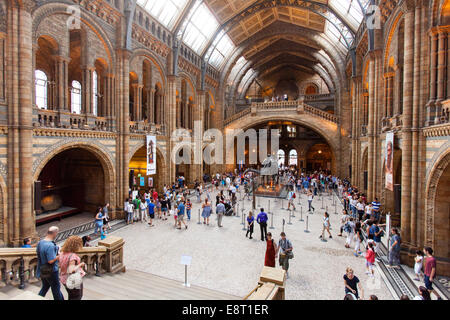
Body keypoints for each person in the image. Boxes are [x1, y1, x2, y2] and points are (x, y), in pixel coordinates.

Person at [36, 226, 64, 300]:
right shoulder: (50, 245)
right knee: (56, 289)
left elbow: (38, 254)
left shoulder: (41, 242)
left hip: (42, 268)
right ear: (54, 233)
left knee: (45, 286)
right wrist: (59, 255)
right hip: (51, 270)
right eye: (56, 233)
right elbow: (50, 261)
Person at [59, 236, 86, 300]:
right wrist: (80, 264)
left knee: (71, 296)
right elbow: (71, 270)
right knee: (77, 297)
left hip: (64, 278)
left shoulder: (62, 253)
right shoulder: (72, 256)